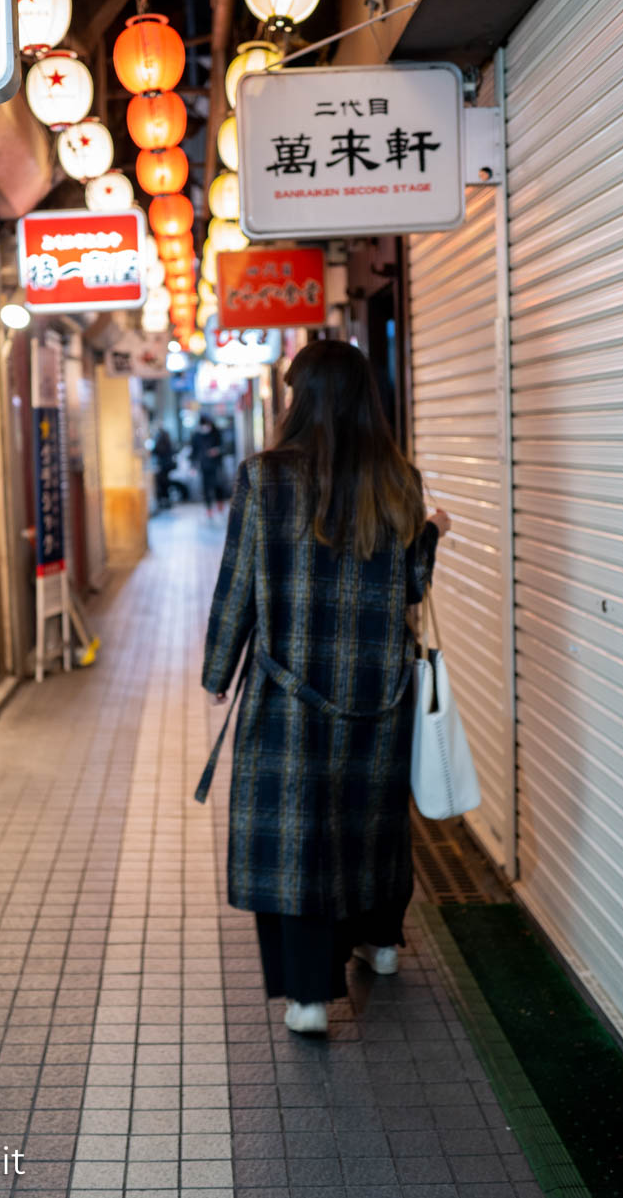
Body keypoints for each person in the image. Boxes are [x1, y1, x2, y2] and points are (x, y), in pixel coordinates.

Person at [197, 339, 451, 1035]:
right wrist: (429, 536)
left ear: (303, 399)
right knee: (368, 824)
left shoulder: (265, 479)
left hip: (291, 697)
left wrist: (219, 671)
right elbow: (408, 587)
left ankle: (309, 995)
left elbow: (239, 585)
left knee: (299, 837)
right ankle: (379, 941)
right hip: (378, 694)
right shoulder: (400, 479)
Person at [192, 415, 229, 518]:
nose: (205, 427)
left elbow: (223, 447)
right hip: (204, 465)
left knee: (218, 485)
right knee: (206, 487)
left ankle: (220, 505)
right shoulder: (197, 436)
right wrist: (193, 466)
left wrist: (217, 451)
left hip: (216, 464)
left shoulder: (216, 433)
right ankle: (209, 509)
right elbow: (194, 451)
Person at [151, 425, 176, 509]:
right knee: (166, 484)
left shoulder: (161, 443)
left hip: (163, 466)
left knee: (162, 484)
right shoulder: (168, 443)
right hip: (166, 466)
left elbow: (155, 451)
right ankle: (166, 501)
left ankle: (164, 501)